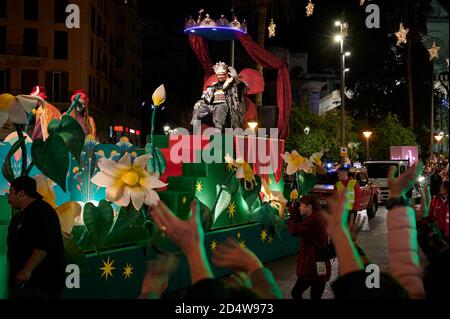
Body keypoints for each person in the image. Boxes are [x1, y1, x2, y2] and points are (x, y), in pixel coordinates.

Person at [6, 176, 66, 299]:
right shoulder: (21, 215)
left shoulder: (42, 211)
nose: (8, 197)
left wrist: (27, 270)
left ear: (22, 193)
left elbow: (43, 245)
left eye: (11, 192)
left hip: (40, 282)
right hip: (24, 282)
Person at [287, 195, 331, 299]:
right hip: (319, 266)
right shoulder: (318, 216)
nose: (299, 207)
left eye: (301, 205)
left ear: (309, 207)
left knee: (296, 293)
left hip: (312, 268)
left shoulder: (314, 220)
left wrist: (293, 213)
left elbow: (294, 230)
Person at [191, 62, 247, 131]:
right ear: (217, 76)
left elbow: (242, 88)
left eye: (222, 74)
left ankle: (218, 131)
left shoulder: (232, 84)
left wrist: (236, 78)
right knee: (198, 109)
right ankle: (195, 131)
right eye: (219, 74)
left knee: (220, 106)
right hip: (212, 108)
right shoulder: (213, 87)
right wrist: (199, 102)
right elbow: (205, 98)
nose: (221, 76)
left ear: (226, 75)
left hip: (227, 109)